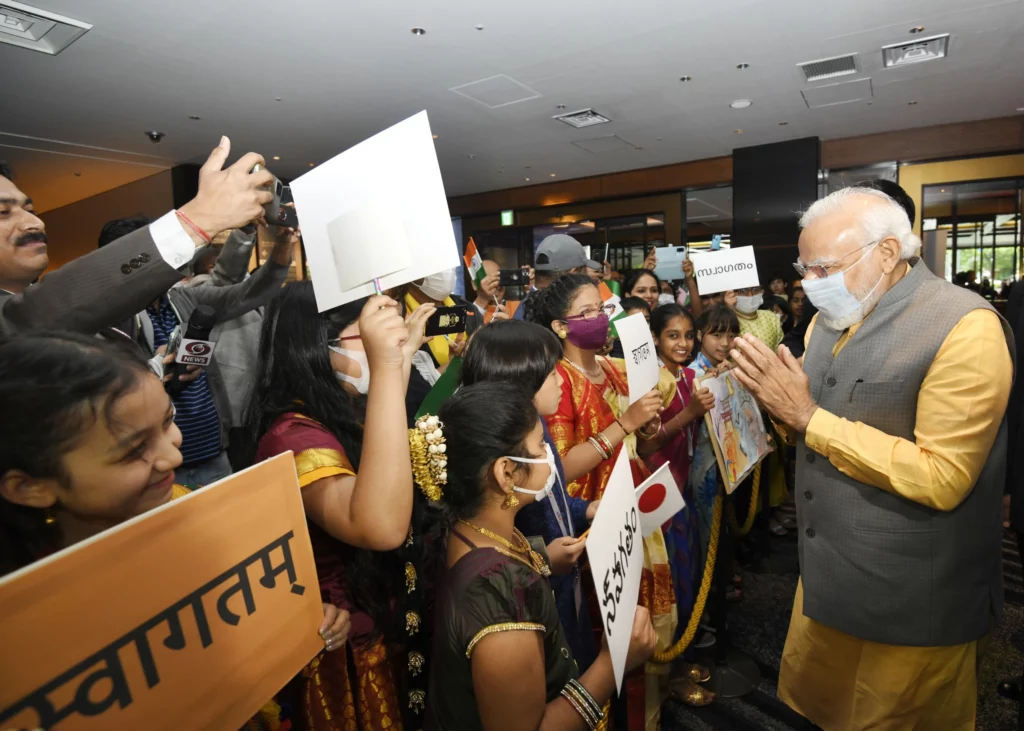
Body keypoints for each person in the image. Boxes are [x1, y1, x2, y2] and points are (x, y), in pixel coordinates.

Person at [730, 186, 1013, 730]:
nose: (810, 284)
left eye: (824, 268)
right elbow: (806, 427)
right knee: (819, 707)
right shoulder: (825, 322)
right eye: (803, 268)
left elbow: (944, 476)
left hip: (912, 592)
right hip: (826, 577)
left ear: (887, 253)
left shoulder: (964, 326)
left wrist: (808, 417)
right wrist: (776, 414)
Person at [245, 282, 435, 731]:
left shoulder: (341, 407)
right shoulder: (293, 436)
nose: (386, 348)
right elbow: (380, 526)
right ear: (317, 345)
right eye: (366, 338)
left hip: (381, 618)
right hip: (346, 650)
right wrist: (389, 367)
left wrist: (397, 361)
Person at [425, 382, 657, 731]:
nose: (551, 453)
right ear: (506, 473)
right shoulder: (500, 601)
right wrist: (615, 662)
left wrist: (541, 558)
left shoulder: (466, 527)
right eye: (540, 446)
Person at [526, 273, 677, 730]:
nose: (599, 319)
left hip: (632, 509)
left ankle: (648, 714)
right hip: (593, 528)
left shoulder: (611, 366)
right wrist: (625, 424)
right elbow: (560, 469)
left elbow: (646, 424)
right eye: (587, 312)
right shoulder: (559, 382)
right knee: (606, 633)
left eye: (601, 310)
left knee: (650, 621)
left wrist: (645, 424)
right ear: (560, 327)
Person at [97, 215, 296, 487]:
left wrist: (283, 248)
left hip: (214, 455)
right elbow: (101, 391)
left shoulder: (183, 298)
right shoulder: (108, 319)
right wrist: (155, 369)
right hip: (158, 466)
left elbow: (250, 293)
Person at [0, 139, 273, 335]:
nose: (34, 222)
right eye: (3, 212)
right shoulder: (25, 318)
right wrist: (197, 221)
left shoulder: (120, 314)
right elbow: (35, 314)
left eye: (30, 209)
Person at [460, 320, 599, 672]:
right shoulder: (512, 454)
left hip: (562, 577)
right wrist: (542, 560)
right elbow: (497, 538)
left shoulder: (538, 428)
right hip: (537, 593)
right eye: (550, 372)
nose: (559, 380)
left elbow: (554, 498)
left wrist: (584, 510)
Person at [647, 303, 717, 706]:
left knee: (687, 582)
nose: (684, 343)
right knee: (667, 590)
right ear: (656, 338)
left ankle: (680, 656)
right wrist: (688, 413)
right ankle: (667, 673)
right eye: (673, 335)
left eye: (689, 335)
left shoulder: (689, 376)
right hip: (660, 497)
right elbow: (648, 443)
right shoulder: (652, 381)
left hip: (684, 492)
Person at [515, 234, 599, 320]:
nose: (586, 276)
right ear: (574, 273)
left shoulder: (525, 309)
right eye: (584, 271)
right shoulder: (557, 315)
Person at [725, 285, 783, 351]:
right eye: (743, 291)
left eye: (755, 290)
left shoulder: (770, 317)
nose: (750, 295)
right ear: (732, 294)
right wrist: (727, 310)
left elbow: (780, 349)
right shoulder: (726, 319)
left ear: (762, 291)